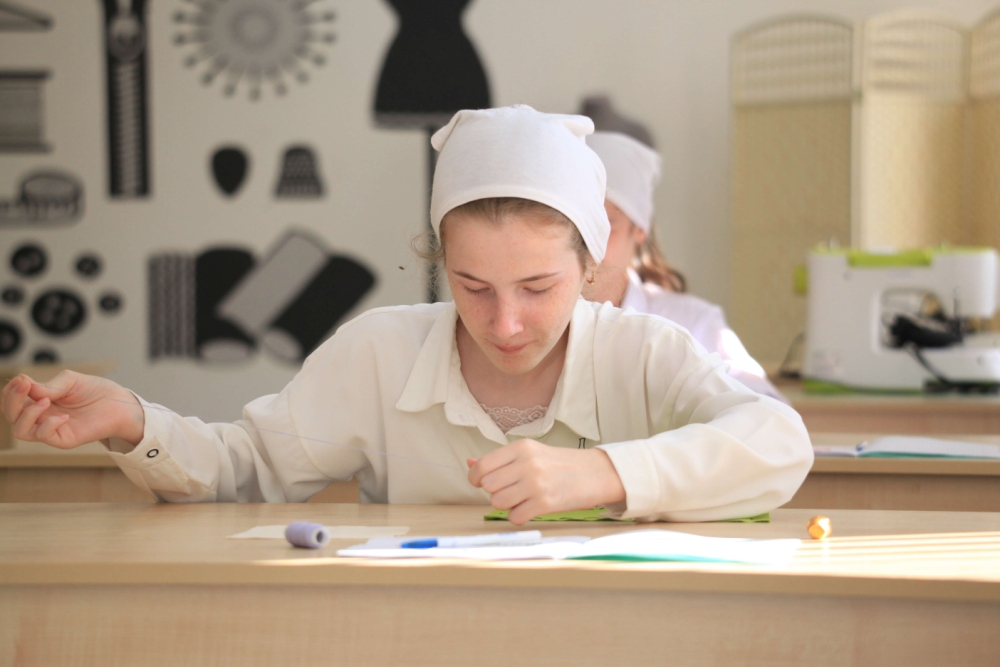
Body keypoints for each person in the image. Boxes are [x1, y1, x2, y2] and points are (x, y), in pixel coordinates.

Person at [0, 106, 812, 524]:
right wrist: (134, 420)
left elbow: (778, 442)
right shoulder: (379, 352)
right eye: (472, 285)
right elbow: (245, 468)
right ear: (436, 261)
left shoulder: (644, 351)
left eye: (537, 287)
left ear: (591, 264)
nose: (504, 324)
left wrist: (603, 474)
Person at [583, 131, 786, 401]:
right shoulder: (536, 321)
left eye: (605, 225)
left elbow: (769, 412)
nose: (586, 243)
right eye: (574, 224)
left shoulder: (693, 323)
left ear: (640, 229)